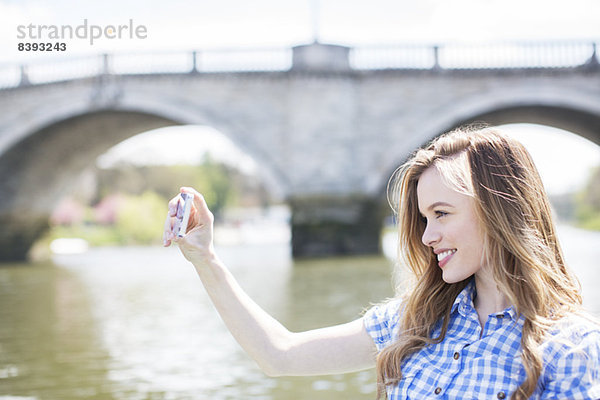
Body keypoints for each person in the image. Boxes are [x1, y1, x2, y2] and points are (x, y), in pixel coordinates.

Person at [163, 125, 600, 399]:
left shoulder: (573, 348)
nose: (428, 237)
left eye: (442, 214)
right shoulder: (414, 321)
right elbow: (279, 355)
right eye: (424, 218)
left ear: (499, 209)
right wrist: (206, 258)